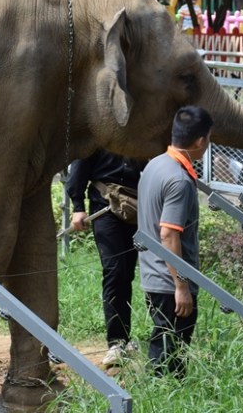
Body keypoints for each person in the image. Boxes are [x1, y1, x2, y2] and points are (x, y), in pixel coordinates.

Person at [137, 106, 213, 377]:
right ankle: (162, 401)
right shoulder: (178, 180)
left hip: (153, 274)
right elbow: (168, 235)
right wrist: (181, 285)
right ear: (201, 141)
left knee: (164, 343)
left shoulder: (155, 165)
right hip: (170, 283)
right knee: (171, 358)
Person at [66, 150, 146, 367]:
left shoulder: (142, 134)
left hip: (135, 207)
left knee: (127, 273)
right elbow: (80, 164)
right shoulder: (101, 135)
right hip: (105, 207)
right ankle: (116, 342)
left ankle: (124, 339)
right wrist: (78, 207)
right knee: (115, 271)